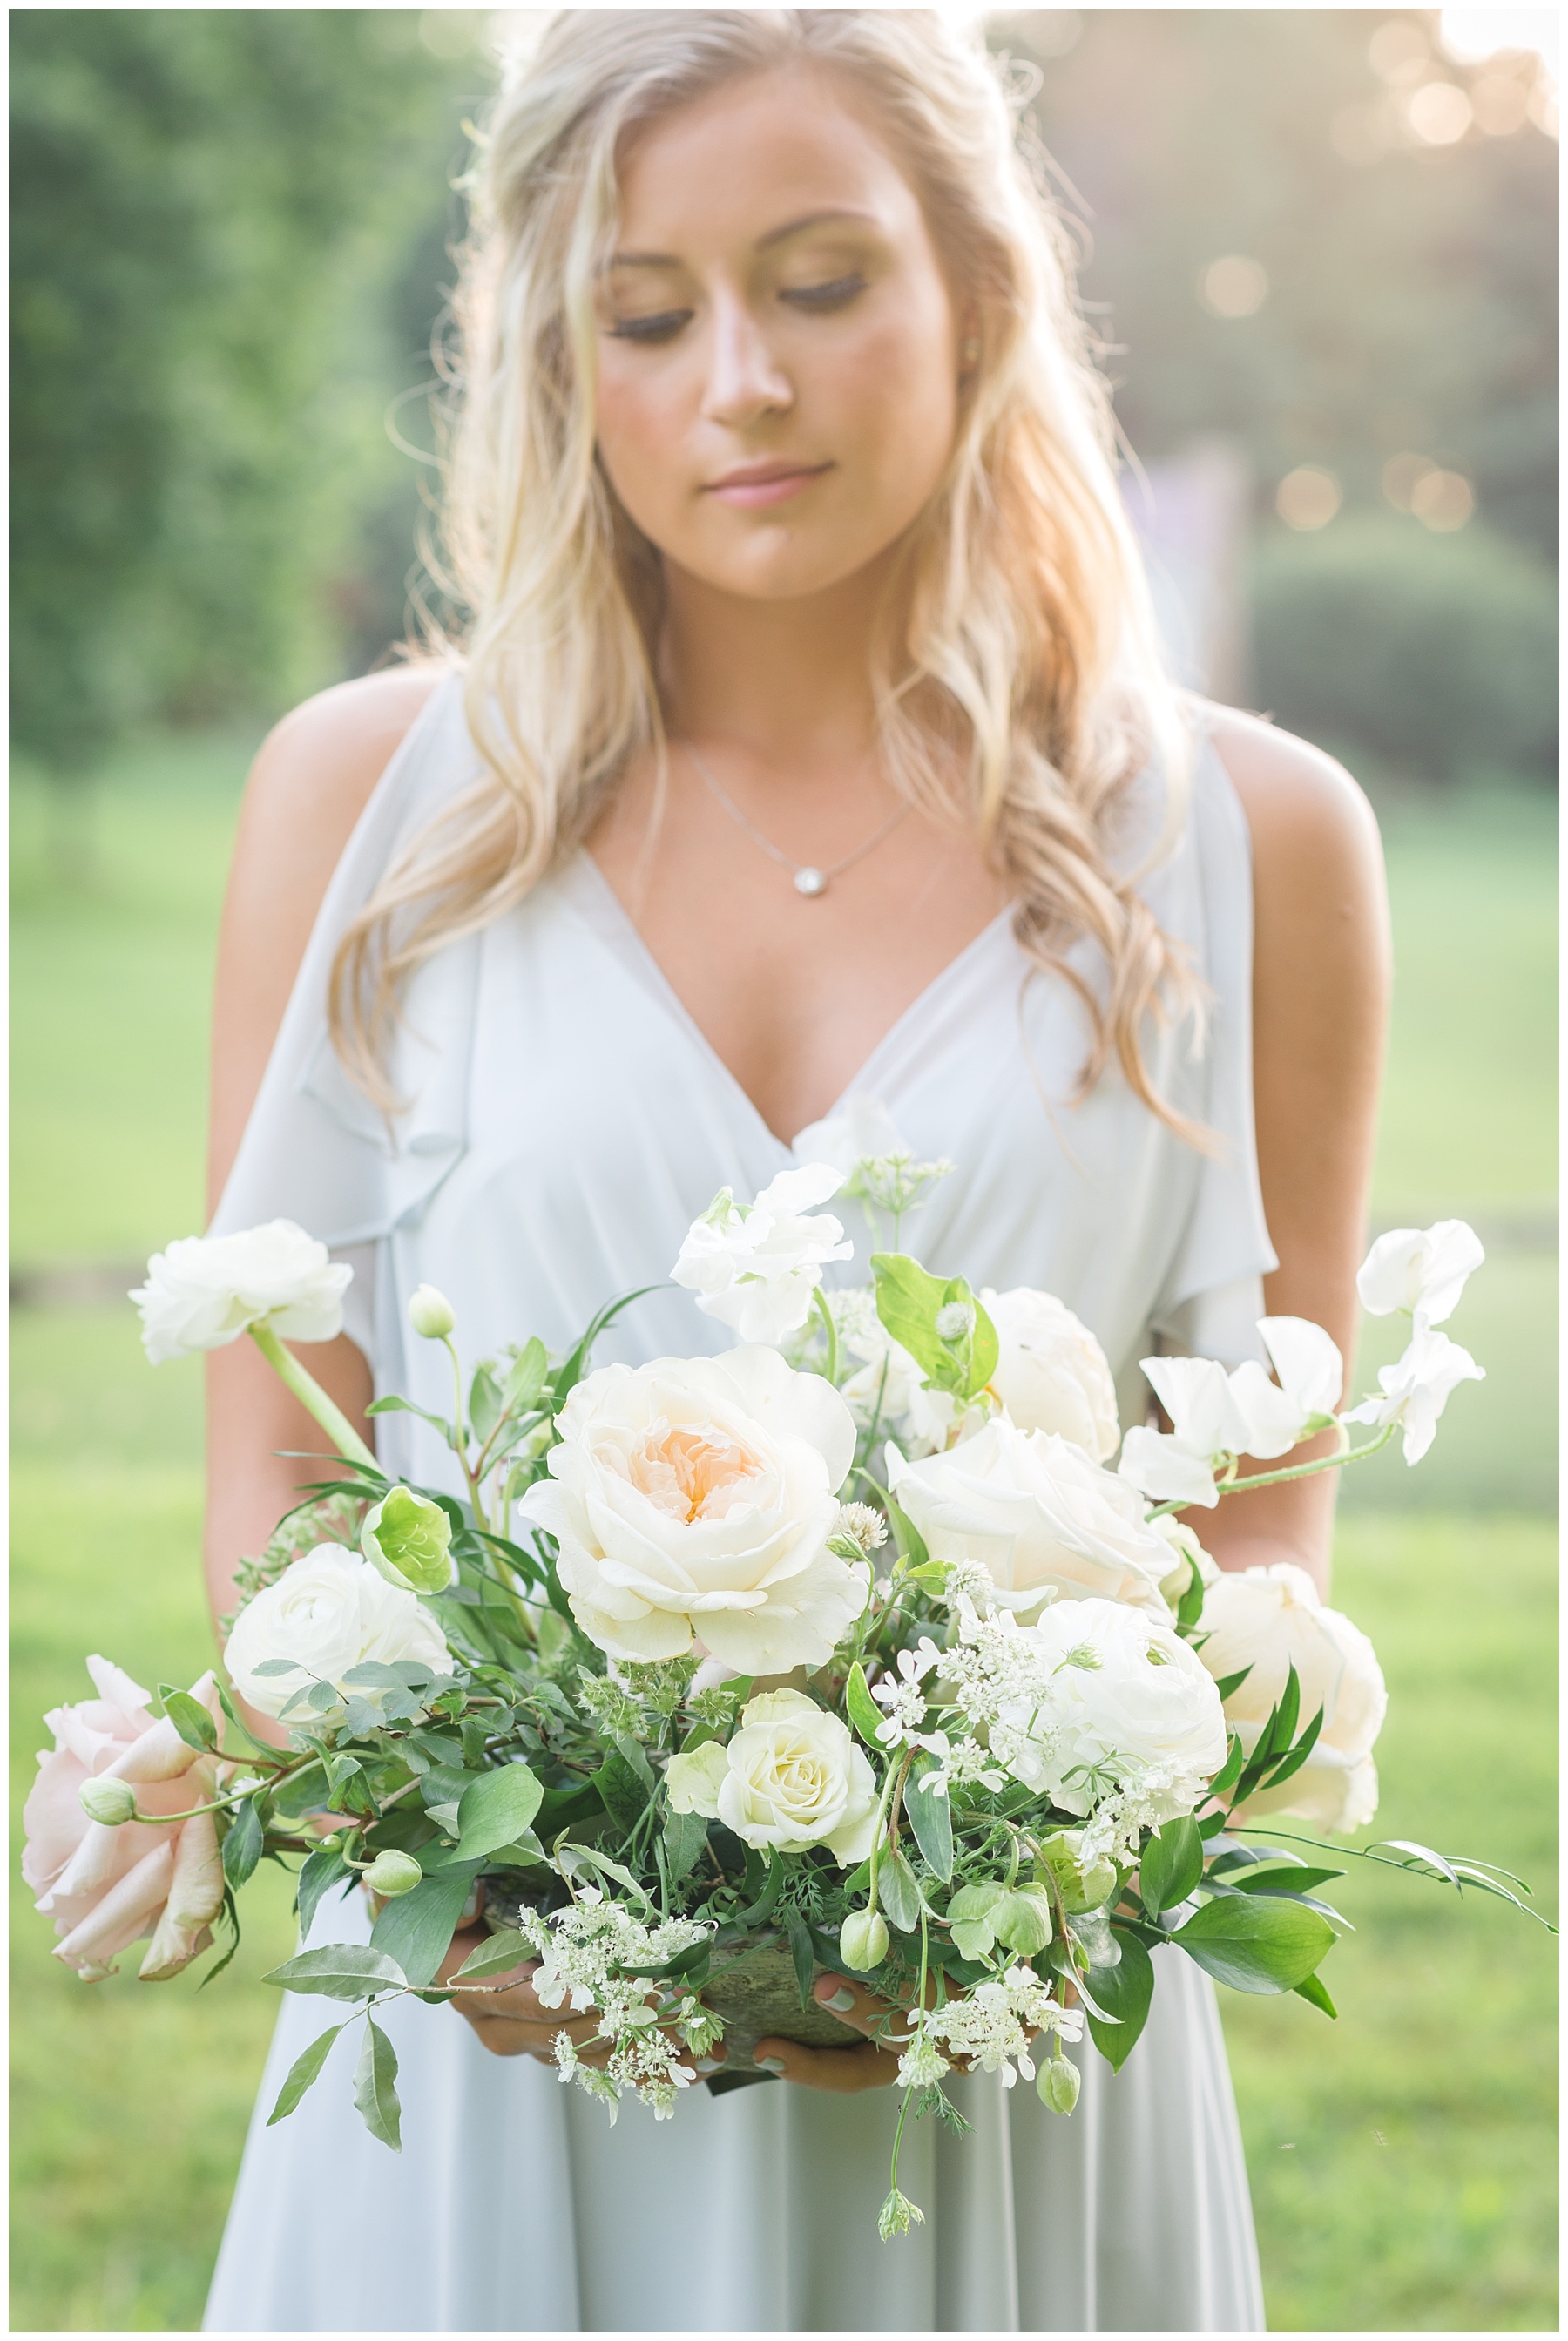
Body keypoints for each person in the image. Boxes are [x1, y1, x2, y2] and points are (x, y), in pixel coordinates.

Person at [200, 10, 1389, 2331]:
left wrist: (1010, 1882)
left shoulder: (1250, 842)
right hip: (487, 2086)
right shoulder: (370, 809)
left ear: (980, 292)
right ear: (566, 361)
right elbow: (277, 1496)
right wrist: (441, 1878)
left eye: (822, 281)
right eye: (649, 316)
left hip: (999, 2090)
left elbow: (1263, 1562)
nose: (739, 379)